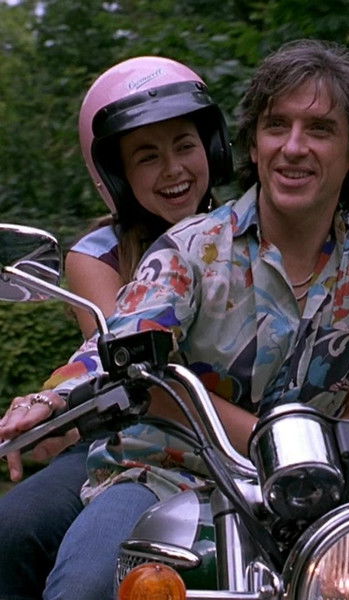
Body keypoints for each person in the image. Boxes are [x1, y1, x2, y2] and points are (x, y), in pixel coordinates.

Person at [0, 39, 349, 600]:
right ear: (254, 144)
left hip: (313, 495)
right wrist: (51, 400)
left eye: (320, 130)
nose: (293, 147)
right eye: (276, 126)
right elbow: (124, 342)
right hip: (161, 476)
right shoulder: (190, 247)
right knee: (88, 583)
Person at [0, 54, 234, 600]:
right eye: (147, 156)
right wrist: (51, 399)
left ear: (212, 148)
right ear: (115, 176)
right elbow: (117, 358)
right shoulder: (98, 254)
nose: (173, 169)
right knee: (11, 530)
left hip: (227, 444)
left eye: (185, 145)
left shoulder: (247, 237)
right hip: (122, 436)